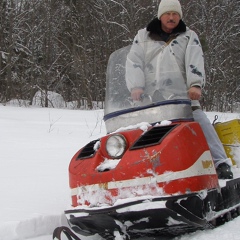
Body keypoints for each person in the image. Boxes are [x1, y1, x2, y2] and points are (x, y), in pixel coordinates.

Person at [125, 0, 233, 179]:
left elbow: (195, 62)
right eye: (167, 13)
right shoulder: (144, 36)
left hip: (181, 95)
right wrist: (136, 86)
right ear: (160, 15)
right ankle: (134, 169)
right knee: (136, 130)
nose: (171, 17)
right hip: (151, 97)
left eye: (175, 14)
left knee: (199, 120)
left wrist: (195, 85)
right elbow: (134, 61)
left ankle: (221, 162)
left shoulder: (189, 36)